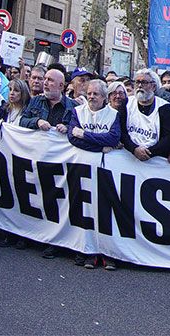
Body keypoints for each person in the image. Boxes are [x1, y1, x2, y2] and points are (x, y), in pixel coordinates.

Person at [66, 78, 121, 270]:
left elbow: (113, 137)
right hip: (82, 170)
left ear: (104, 97)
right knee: (85, 211)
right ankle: (87, 251)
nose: (91, 97)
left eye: (96, 94)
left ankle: (107, 253)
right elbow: (73, 137)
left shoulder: (113, 114)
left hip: (105, 172)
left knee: (105, 212)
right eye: (89, 93)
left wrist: (85, 134)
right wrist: (100, 146)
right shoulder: (77, 112)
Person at [122, 68, 170, 161]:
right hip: (129, 155)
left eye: (144, 82)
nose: (139, 86)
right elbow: (122, 131)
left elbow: (169, 138)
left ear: (153, 87)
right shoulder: (127, 103)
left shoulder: (164, 107)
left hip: (153, 158)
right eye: (137, 82)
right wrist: (134, 149)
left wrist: (149, 152)